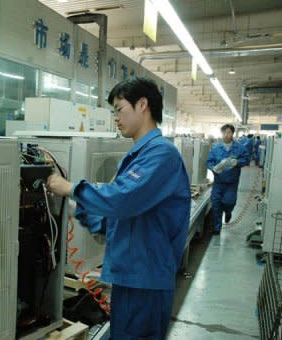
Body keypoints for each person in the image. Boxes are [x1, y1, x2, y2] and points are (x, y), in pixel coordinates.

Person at [47, 77, 190, 339]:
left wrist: (71, 188)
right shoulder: (137, 155)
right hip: (130, 276)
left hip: (146, 280)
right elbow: (118, 218)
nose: (115, 117)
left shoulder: (161, 155)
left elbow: (123, 199)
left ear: (142, 105)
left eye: (119, 108)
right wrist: (74, 209)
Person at [207, 124, 250, 234]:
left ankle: (228, 212)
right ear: (222, 134)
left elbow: (246, 159)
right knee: (216, 204)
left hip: (231, 182)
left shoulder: (239, 148)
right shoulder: (216, 148)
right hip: (218, 182)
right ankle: (217, 228)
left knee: (229, 202)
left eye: (229, 132)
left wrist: (237, 162)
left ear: (232, 133)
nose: (227, 135)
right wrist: (213, 168)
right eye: (225, 132)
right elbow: (209, 161)